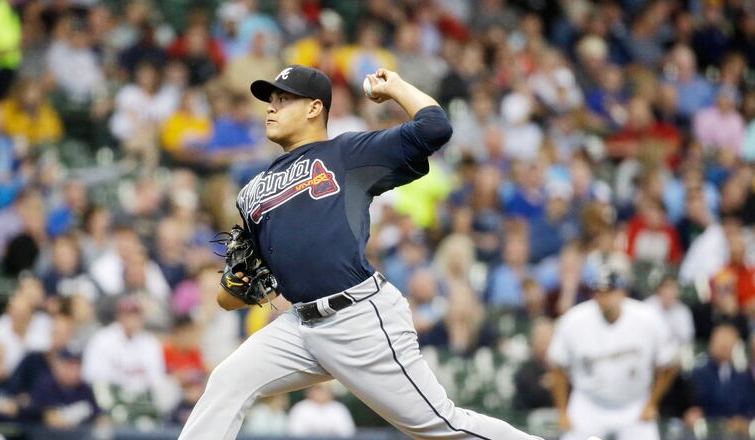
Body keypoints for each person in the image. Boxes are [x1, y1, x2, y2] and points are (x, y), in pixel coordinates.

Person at [179, 65, 542, 440]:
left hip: (357, 316)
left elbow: (435, 128)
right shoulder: (252, 192)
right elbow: (234, 296)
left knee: (439, 425)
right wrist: (233, 285)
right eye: (270, 101)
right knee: (228, 380)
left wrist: (398, 87)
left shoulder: (348, 153)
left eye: (283, 99)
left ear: (314, 108)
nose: (271, 108)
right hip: (300, 327)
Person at [548, 266, 679, 440]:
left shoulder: (648, 318)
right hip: (588, 405)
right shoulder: (574, 320)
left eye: (609, 291)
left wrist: (652, 403)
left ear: (622, 292)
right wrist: (562, 412)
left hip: (634, 405)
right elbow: (558, 366)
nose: (603, 297)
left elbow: (670, 364)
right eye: (598, 291)